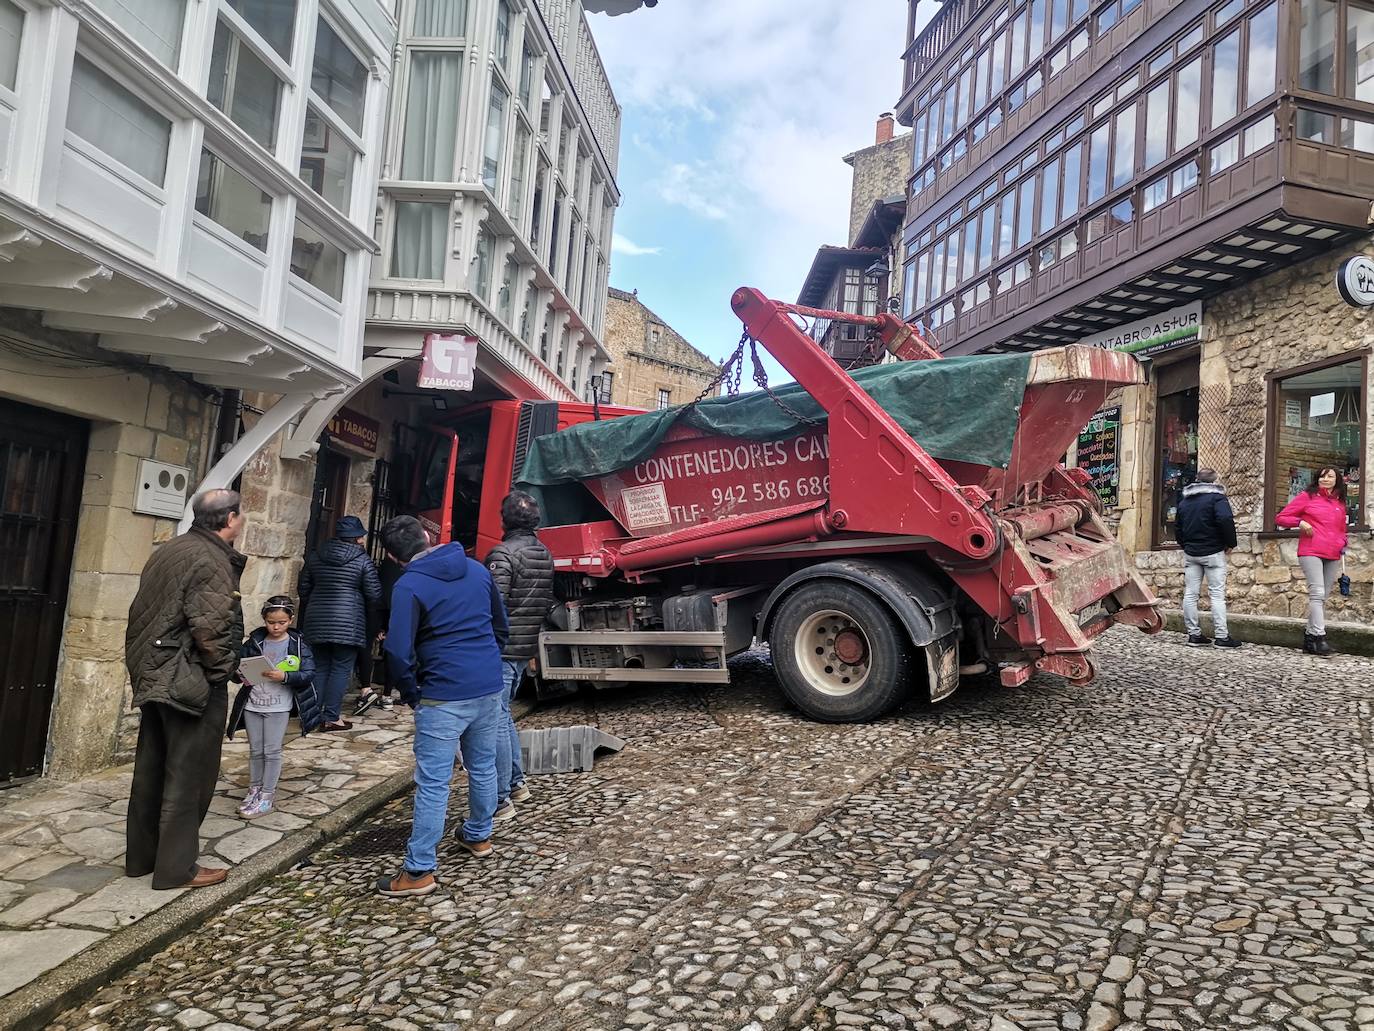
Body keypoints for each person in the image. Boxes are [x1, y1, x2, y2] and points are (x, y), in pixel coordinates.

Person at [376, 516, 509, 898]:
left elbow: (398, 651)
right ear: (428, 537)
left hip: (442, 691)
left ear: (391, 555)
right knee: (482, 765)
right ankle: (479, 835)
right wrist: (487, 662)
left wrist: (412, 691)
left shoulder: (409, 585)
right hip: (486, 684)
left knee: (433, 782)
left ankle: (419, 870)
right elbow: (501, 624)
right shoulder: (475, 568)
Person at [124, 489, 246, 890]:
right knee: (188, 776)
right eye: (239, 515)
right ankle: (176, 869)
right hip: (187, 677)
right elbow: (210, 629)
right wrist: (224, 671)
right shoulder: (211, 559)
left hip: (157, 672)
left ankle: (142, 859)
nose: (241, 521)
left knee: (152, 769)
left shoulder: (170, 549)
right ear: (229, 519)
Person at [484, 491, 555, 819]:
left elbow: (492, 604)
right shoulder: (544, 553)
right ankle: (515, 782)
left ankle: (500, 797)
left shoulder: (503, 553)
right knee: (504, 715)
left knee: (496, 718)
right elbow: (542, 602)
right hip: (523, 645)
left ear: (505, 519)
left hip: (501, 647)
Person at [226, 596, 322, 818]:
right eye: (271, 622)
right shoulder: (254, 643)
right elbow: (236, 671)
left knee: (272, 751)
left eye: (282, 622)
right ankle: (254, 789)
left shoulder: (298, 644)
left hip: (278, 705)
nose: (276, 627)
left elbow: (308, 673)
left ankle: (267, 795)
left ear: (291, 619)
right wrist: (240, 673)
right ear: (264, 620)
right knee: (256, 750)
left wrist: (285, 676)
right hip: (253, 703)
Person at [298, 515, 382, 731]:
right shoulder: (363, 560)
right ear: (354, 538)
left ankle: (313, 716)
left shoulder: (316, 556)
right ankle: (331, 716)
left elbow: (303, 588)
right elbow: (374, 594)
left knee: (320, 666)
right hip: (348, 622)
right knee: (341, 669)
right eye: (360, 537)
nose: (363, 540)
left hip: (317, 620)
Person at [1277, 467, 1350, 656]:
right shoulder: (1307, 496)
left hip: (1333, 552)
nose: (1325, 479)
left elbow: (1342, 528)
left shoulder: (1340, 502)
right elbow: (1282, 517)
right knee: (1317, 593)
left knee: (1323, 596)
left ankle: (1309, 639)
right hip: (1311, 550)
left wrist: (1343, 542)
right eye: (1322, 476)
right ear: (1318, 478)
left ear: (1337, 480)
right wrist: (1300, 522)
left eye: (1330, 476)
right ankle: (1319, 637)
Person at [1174, 468, 1241, 649]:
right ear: (1214, 481)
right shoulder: (1217, 498)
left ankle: (1194, 635)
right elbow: (1225, 519)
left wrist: (1185, 545)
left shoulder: (1185, 501)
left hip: (1191, 553)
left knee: (1190, 594)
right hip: (1213, 552)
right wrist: (1230, 543)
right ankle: (1221, 637)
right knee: (1217, 595)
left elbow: (1177, 527)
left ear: (1196, 479)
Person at [355, 553, 405, 715]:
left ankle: (366, 689)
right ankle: (387, 695)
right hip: (396, 609)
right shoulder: (408, 564)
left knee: (366, 646)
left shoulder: (387, 564)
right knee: (391, 650)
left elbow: (376, 591)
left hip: (377, 609)